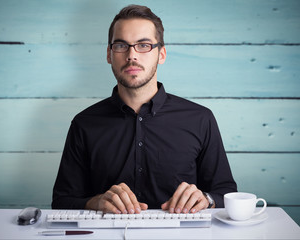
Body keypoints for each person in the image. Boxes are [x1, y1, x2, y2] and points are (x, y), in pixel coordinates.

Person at [52, 4, 237, 214]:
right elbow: (62, 201)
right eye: (121, 45)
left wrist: (206, 198)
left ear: (161, 54)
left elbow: (225, 193)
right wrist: (96, 202)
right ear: (109, 54)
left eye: (143, 45)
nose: (132, 55)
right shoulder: (84, 123)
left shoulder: (200, 118)